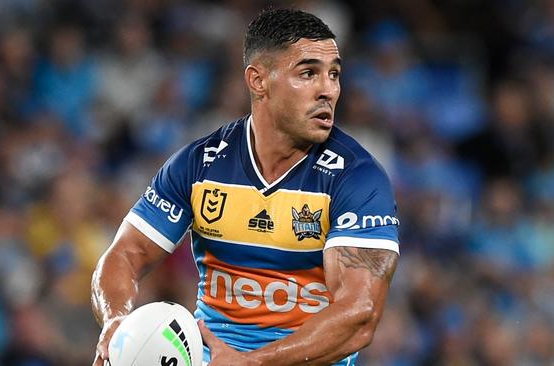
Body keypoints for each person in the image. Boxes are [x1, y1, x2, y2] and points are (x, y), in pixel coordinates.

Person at [91, 8, 400, 366]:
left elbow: (360, 315)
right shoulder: (199, 165)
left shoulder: (358, 178)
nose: (327, 90)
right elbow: (125, 254)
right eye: (308, 73)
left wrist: (253, 362)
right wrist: (115, 319)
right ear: (258, 81)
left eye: (334, 75)